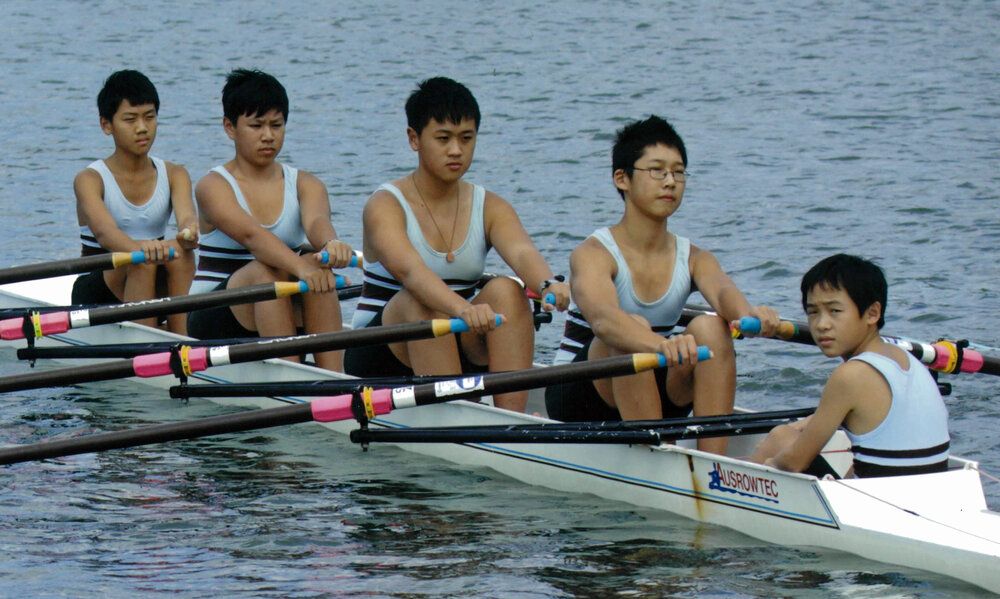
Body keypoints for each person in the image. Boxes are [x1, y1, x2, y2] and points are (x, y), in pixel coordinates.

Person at [545, 115, 780, 455]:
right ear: (622, 179)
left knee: (712, 328)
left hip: (654, 384)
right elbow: (604, 319)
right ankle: (656, 459)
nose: (670, 181)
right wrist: (660, 345)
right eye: (657, 170)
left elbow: (724, 294)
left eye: (678, 171)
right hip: (579, 396)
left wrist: (752, 316)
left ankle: (713, 462)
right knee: (630, 328)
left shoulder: (696, 257)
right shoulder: (593, 253)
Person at [343, 77, 570, 412]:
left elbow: (522, 252)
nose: (456, 150)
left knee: (508, 290)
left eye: (466, 138)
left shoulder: (491, 206)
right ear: (414, 139)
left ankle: (511, 419)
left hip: (455, 336)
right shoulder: (385, 205)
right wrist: (463, 309)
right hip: (379, 352)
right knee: (422, 302)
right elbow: (410, 271)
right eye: (443, 138)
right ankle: (459, 419)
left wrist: (548, 284)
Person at [186, 68, 352, 372]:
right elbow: (253, 237)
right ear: (230, 128)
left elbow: (317, 222)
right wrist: (301, 266)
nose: (268, 135)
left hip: (280, 303)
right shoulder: (213, 186)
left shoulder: (307, 183)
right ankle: (291, 378)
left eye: (276, 125)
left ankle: (334, 378)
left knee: (317, 263)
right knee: (267, 271)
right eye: (256, 125)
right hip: (211, 315)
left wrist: (331, 244)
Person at [750, 254, 950, 477]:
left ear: (872, 313)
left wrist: (765, 463)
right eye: (813, 312)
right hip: (928, 495)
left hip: (881, 505)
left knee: (780, 438)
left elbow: (794, 462)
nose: (822, 325)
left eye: (835, 311)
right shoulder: (909, 360)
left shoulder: (851, 375)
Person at [73, 69, 199, 335]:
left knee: (182, 255)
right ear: (106, 125)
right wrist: (143, 251)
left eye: (149, 118)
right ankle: (147, 346)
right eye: (130, 120)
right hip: (99, 285)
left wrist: (189, 232)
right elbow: (105, 233)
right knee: (140, 260)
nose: (142, 128)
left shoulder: (175, 174)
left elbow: (188, 218)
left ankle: (184, 341)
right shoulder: (90, 179)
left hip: (153, 274)